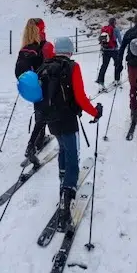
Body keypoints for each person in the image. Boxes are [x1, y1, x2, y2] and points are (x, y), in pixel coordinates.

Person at [37, 36, 102, 231]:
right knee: (73, 156)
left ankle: (62, 184)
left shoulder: (46, 66)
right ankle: (68, 196)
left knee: (63, 150)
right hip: (68, 119)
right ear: (70, 51)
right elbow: (80, 97)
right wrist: (95, 112)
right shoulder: (72, 67)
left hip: (51, 120)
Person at [15, 18, 55, 166]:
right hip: (45, 85)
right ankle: (31, 145)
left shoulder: (25, 47)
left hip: (32, 87)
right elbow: (52, 63)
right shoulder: (44, 46)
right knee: (44, 116)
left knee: (40, 112)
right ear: (40, 29)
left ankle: (40, 139)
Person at [96, 17, 123, 88]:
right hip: (114, 50)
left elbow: (100, 39)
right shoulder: (116, 30)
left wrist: (102, 48)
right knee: (117, 65)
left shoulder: (104, 29)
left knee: (104, 65)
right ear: (114, 22)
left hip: (105, 50)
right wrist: (122, 47)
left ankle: (100, 80)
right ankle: (117, 79)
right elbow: (120, 39)